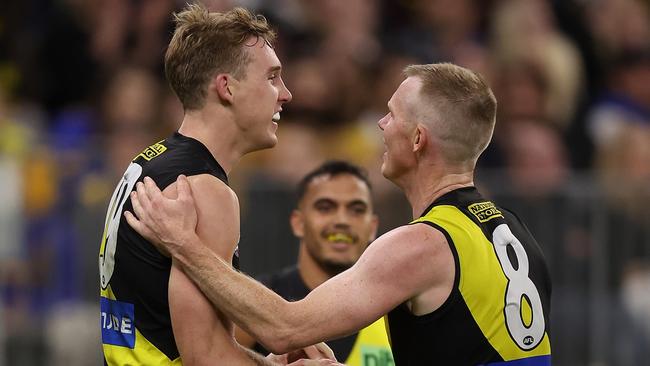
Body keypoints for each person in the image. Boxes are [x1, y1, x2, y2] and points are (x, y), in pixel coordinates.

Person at [127, 63, 553, 365]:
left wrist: (183, 244)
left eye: (391, 115)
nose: (381, 126)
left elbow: (282, 328)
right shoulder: (511, 229)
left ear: (419, 139)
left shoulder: (422, 244)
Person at [98, 4, 338, 365]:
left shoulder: (147, 161)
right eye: (272, 77)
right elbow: (205, 358)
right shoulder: (203, 189)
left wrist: (267, 362)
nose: (286, 94)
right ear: (227, 87)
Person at [235, 160, 393, 365]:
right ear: (298, 223)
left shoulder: (392, 308)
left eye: (356, 209)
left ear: (372, 227)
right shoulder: (256, 302)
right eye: (325, 207)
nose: (342, 220)